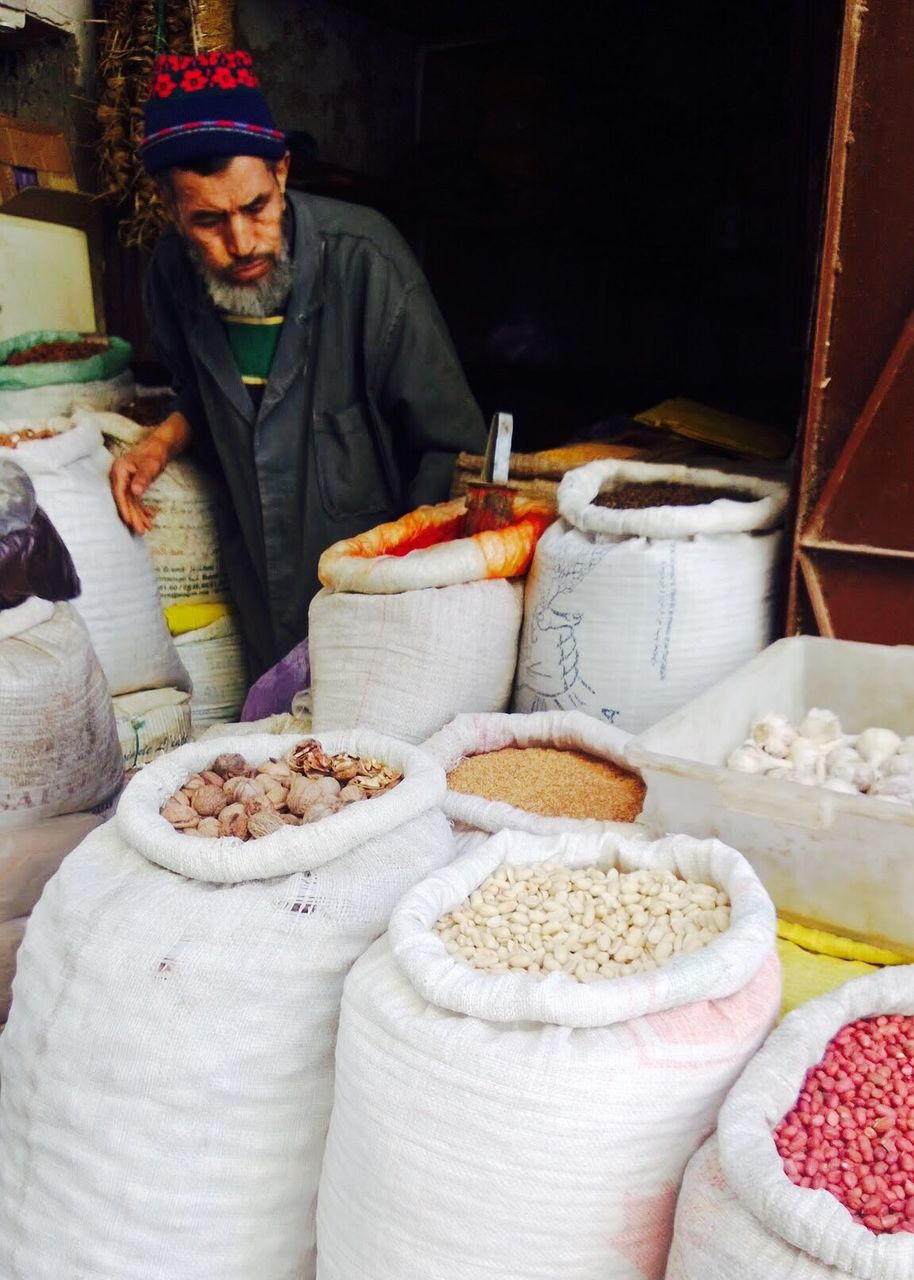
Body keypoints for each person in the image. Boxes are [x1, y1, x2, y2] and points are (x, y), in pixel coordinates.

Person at [111, 49, 486, 679]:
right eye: (207, 220)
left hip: (378, 605)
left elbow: (452, 449)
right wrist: (162, 441)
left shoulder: (367, 261)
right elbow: (209, 399)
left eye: (256, 206)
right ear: (169, 205)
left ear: (282, 172)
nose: (242, 242)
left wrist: (399, 583)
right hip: (266, 599)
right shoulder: (171, 278)